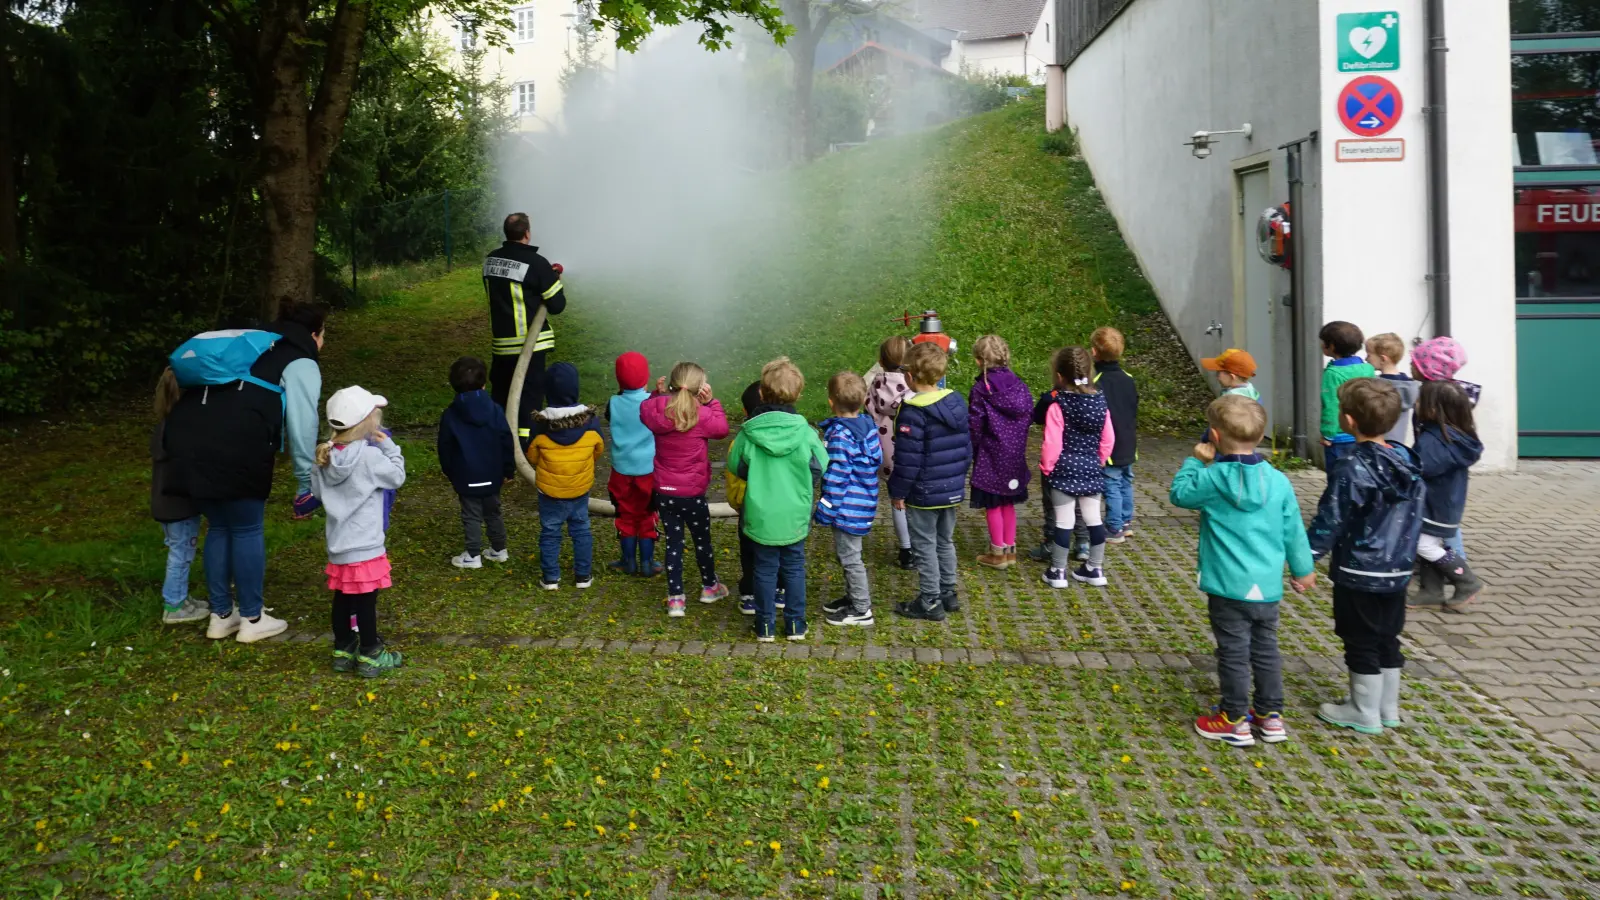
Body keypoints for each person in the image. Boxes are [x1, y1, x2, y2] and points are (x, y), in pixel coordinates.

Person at [164, 300, 328, 644]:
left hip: (187, 437)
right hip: (238, 444)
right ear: (315, 334)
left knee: (220, 525)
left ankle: (221, 616)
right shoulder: (299, 360)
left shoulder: (253, 347)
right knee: (247, 527)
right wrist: (304, 482)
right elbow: (302, 425)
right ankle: (253, 619)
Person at [1172, 395, 1316, 748]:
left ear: (1215, 438)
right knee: (1266, 649)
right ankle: (1270, 716)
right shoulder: (1279, 481)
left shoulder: (1213, 478)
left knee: (1233, 652)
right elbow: (1293, 530)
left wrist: (1194, 461)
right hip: (1266, 586)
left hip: (1226, 585)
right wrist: (1303, 569)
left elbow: (1179, 494)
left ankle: (1233, 718)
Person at [1307, 378, 1424, 735]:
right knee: (1388, 636)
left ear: (1349, 421)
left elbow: (1332, 517)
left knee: (1359, 638)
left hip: (1359, 570)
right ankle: (1387, 708)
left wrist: (1307, 554)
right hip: (1398, 569)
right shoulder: (1406, 460)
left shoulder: (1350, 466)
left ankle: (1363, 710)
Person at [727, 358, 830, 641]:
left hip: (760, 514)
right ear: (798, 394)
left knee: (763, 569)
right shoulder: (805, 432)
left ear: (761, 393)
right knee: (794, 567)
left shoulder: (749, 433)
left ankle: (764, 626)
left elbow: (737, 466)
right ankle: (796, 624)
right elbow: (821, 464)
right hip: (795, 512)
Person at [311, 386, 406, 676]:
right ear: (367, 422)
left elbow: (316, 492)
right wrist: (389, 446)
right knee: (366, 601)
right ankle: (370, 653)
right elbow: (397, 476)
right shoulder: (369, 457)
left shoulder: (323, 456)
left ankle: (343, 649)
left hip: (339, 544)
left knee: (342, 598)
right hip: (366, 544)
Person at [639, 362, 731, 616]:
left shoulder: (658, 410)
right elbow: (722, 430)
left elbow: (645, 409)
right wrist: (712, 402)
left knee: (674, 544)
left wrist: (657, 395)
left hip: (665, 493)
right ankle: (710, 587)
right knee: (702, 541)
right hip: (693, 495)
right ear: (700, 388)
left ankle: (676, 598)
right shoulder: (702, 414)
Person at [889, 342, 971, 621]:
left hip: (923, 492)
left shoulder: (913, 412)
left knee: (924, 546)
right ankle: (948, 592)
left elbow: (907, 461)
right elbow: (966, 448)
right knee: (945, 541)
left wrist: (898, 492)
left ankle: (929, 601)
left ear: (910, 377)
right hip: (951, 488)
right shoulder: (956, 403)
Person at [484, 212, 566, 445]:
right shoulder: (536, 263)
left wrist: (543, 276)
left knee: (502, 396)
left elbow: (517, 277)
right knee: (529, 400)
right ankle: (526, 446)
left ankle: (501, 443)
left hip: (501, 344)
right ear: (527, 233)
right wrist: (550, 277)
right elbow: (557, 305)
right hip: (528, 344)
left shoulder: (491, 260)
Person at [1040, 347, 1116, 589]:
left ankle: (1057, 571)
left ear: (1060, 376)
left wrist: (1047, 466)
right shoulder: (1100, 402)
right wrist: (1100, 459)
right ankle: (1095, 568)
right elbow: (1108, 438)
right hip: (1092, 467)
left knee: (1064, 521)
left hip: (1063, 469)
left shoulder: (1058, 404)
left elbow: (1052, 442)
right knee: (1094, 519)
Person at [526, 362, 603, 590]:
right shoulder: (591, 422)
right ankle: (583, 577)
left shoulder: (540, 425)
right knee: (581, 530)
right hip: (579, 488)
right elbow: (598, 450)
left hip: (550, 492)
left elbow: (532, 455)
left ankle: (550, 579)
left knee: (550, 532)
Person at [1409, 380, 1485, 612]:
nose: (1416, 403)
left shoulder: (1435, 441)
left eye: (1421, 399)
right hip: (1444, 504)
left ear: (1433, 409)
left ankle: (1467, 581)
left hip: (1434, 505)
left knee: (1423, 545)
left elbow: (1421, 469)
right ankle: (1430, 592)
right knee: (1429, 543)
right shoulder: (1453, 435)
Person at [815, 371, 883, 627]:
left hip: (847, 508)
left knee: (851, 558)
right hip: (863, 504)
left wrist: (825, 509)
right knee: (849, 554)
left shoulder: (840, 437)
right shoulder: (869, 428)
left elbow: (836, 478)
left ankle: (861, 609)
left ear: (831, 402)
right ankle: (853, 597)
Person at [438, 357, 515, 569]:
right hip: (493, 473)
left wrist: (449, 471)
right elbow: (506, 440)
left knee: (471, 515)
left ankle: (473, 555)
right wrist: (508, 470)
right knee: (493, 511)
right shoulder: (495, 410)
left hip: (465, 475)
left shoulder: (450, 414)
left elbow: (444, 446)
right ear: (484, 383)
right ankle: (499, 550)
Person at [967, 335, 1032, 568]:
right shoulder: (1019, 385)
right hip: (1014, 453)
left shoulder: (980, 389)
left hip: (991, 452)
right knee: (1008, 502)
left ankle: (997, 553)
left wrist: (972, 448)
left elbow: (975, 423)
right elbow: (1028, 414)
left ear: (978, 361)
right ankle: (1010, 549)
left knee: (993, 503)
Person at [1410, 335, 1478, 560]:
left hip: (1440, 479)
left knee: (1443, 526)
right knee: (1440, 525)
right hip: (1439, 475)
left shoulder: (1436, 398)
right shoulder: (1437, 395)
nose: (1410, 365)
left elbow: (1435, 448)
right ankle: (1438, 570)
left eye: (1415, 362)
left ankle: (1458, 566)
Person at [150, 368, 207, 625]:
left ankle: (180, 597)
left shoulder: (164, 425)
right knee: (181, 553)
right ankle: (173, 605)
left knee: (180, 550)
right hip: (178, 504)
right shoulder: (180, 429)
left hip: (166, 500)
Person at [605, 352, 661, 576]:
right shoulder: (652, 402)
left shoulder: (613, 403)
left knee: (625, 516)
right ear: (645, 377)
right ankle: (648, 563)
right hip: (648, 471)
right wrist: (657, 393)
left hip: (621, 471)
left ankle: (627, 561)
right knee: (647, 516)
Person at [865, 336, 914, 570]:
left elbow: (869, 412)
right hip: (912, 452)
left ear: (881, 361)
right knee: (915, 499)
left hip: (886, 454)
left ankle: (906, 549)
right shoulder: (914, 385)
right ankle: (921, 542)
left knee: (898, 500)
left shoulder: (875, 383)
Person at [1092, 327, 1139, 542]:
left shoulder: (1097, 381)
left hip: (1110, 445)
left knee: (1111, 485)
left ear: (1094, 352)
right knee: (1125, 482)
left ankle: (1113, 527)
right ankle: (1126, 521)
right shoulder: (1128, 378)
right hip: (1129, 442)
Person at [1318, 321, 1376, 474]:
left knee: (1337, 477)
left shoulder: (1333, 374)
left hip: (1340, 436)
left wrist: (1327, 434)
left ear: (1331, 346)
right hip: (1365, 432)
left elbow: (1331, 405)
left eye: (1323, 342)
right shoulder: (1368, 368)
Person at [728, 381, 764, 613]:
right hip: (781, 508)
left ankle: (750, 593)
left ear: (744, 411)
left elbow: (734, 478)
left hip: (748, 509)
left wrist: (738, 504)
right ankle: (780, 590)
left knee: (749, 553)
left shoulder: (740, 441)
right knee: (780, 550)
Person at [1366, 333, 1419, 447]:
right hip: (1398, 442)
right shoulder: (1411, 386)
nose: (1366, 359)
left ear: (1382, 359)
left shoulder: (1377, 385)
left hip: (1377, 443)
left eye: (1369, 355)